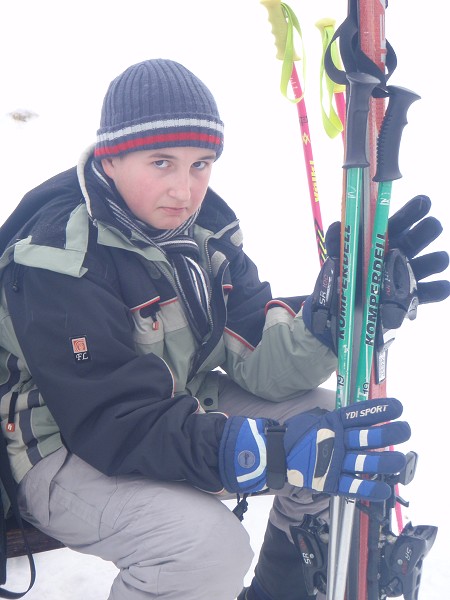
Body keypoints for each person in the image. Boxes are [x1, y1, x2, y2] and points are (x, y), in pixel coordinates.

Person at [0, 59, 448, 600]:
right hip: (55, 446)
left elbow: (258, 356)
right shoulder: (60, 257)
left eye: (200, 164)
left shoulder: (206, 231)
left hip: (170, 404)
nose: (184, 190)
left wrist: (329, 327)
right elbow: (112, 420)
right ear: (110, 157)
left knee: (339, 436)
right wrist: (261, 449)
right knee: (203, 547)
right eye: (161, 162)